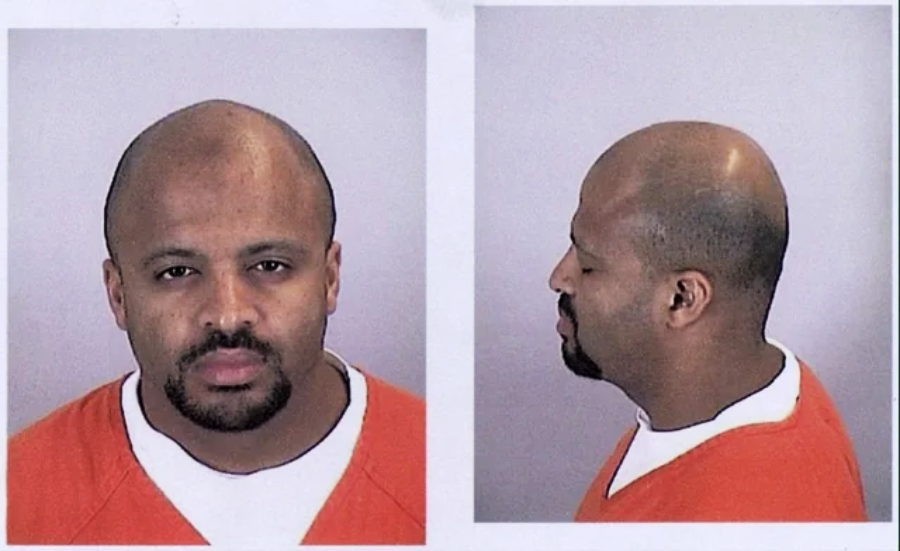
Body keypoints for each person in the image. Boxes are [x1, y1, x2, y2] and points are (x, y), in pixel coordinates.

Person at [7, 100, 425, 545]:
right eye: (177, 272)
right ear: (118, 294)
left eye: (269, 266)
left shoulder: (442, 467)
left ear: (330, 277)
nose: (227, 316)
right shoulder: (17, 499)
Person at [549, 121, 867, 522]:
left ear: (682, 299)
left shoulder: (733, 518)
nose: (559, 277)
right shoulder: (777, 387)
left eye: (589, 265)